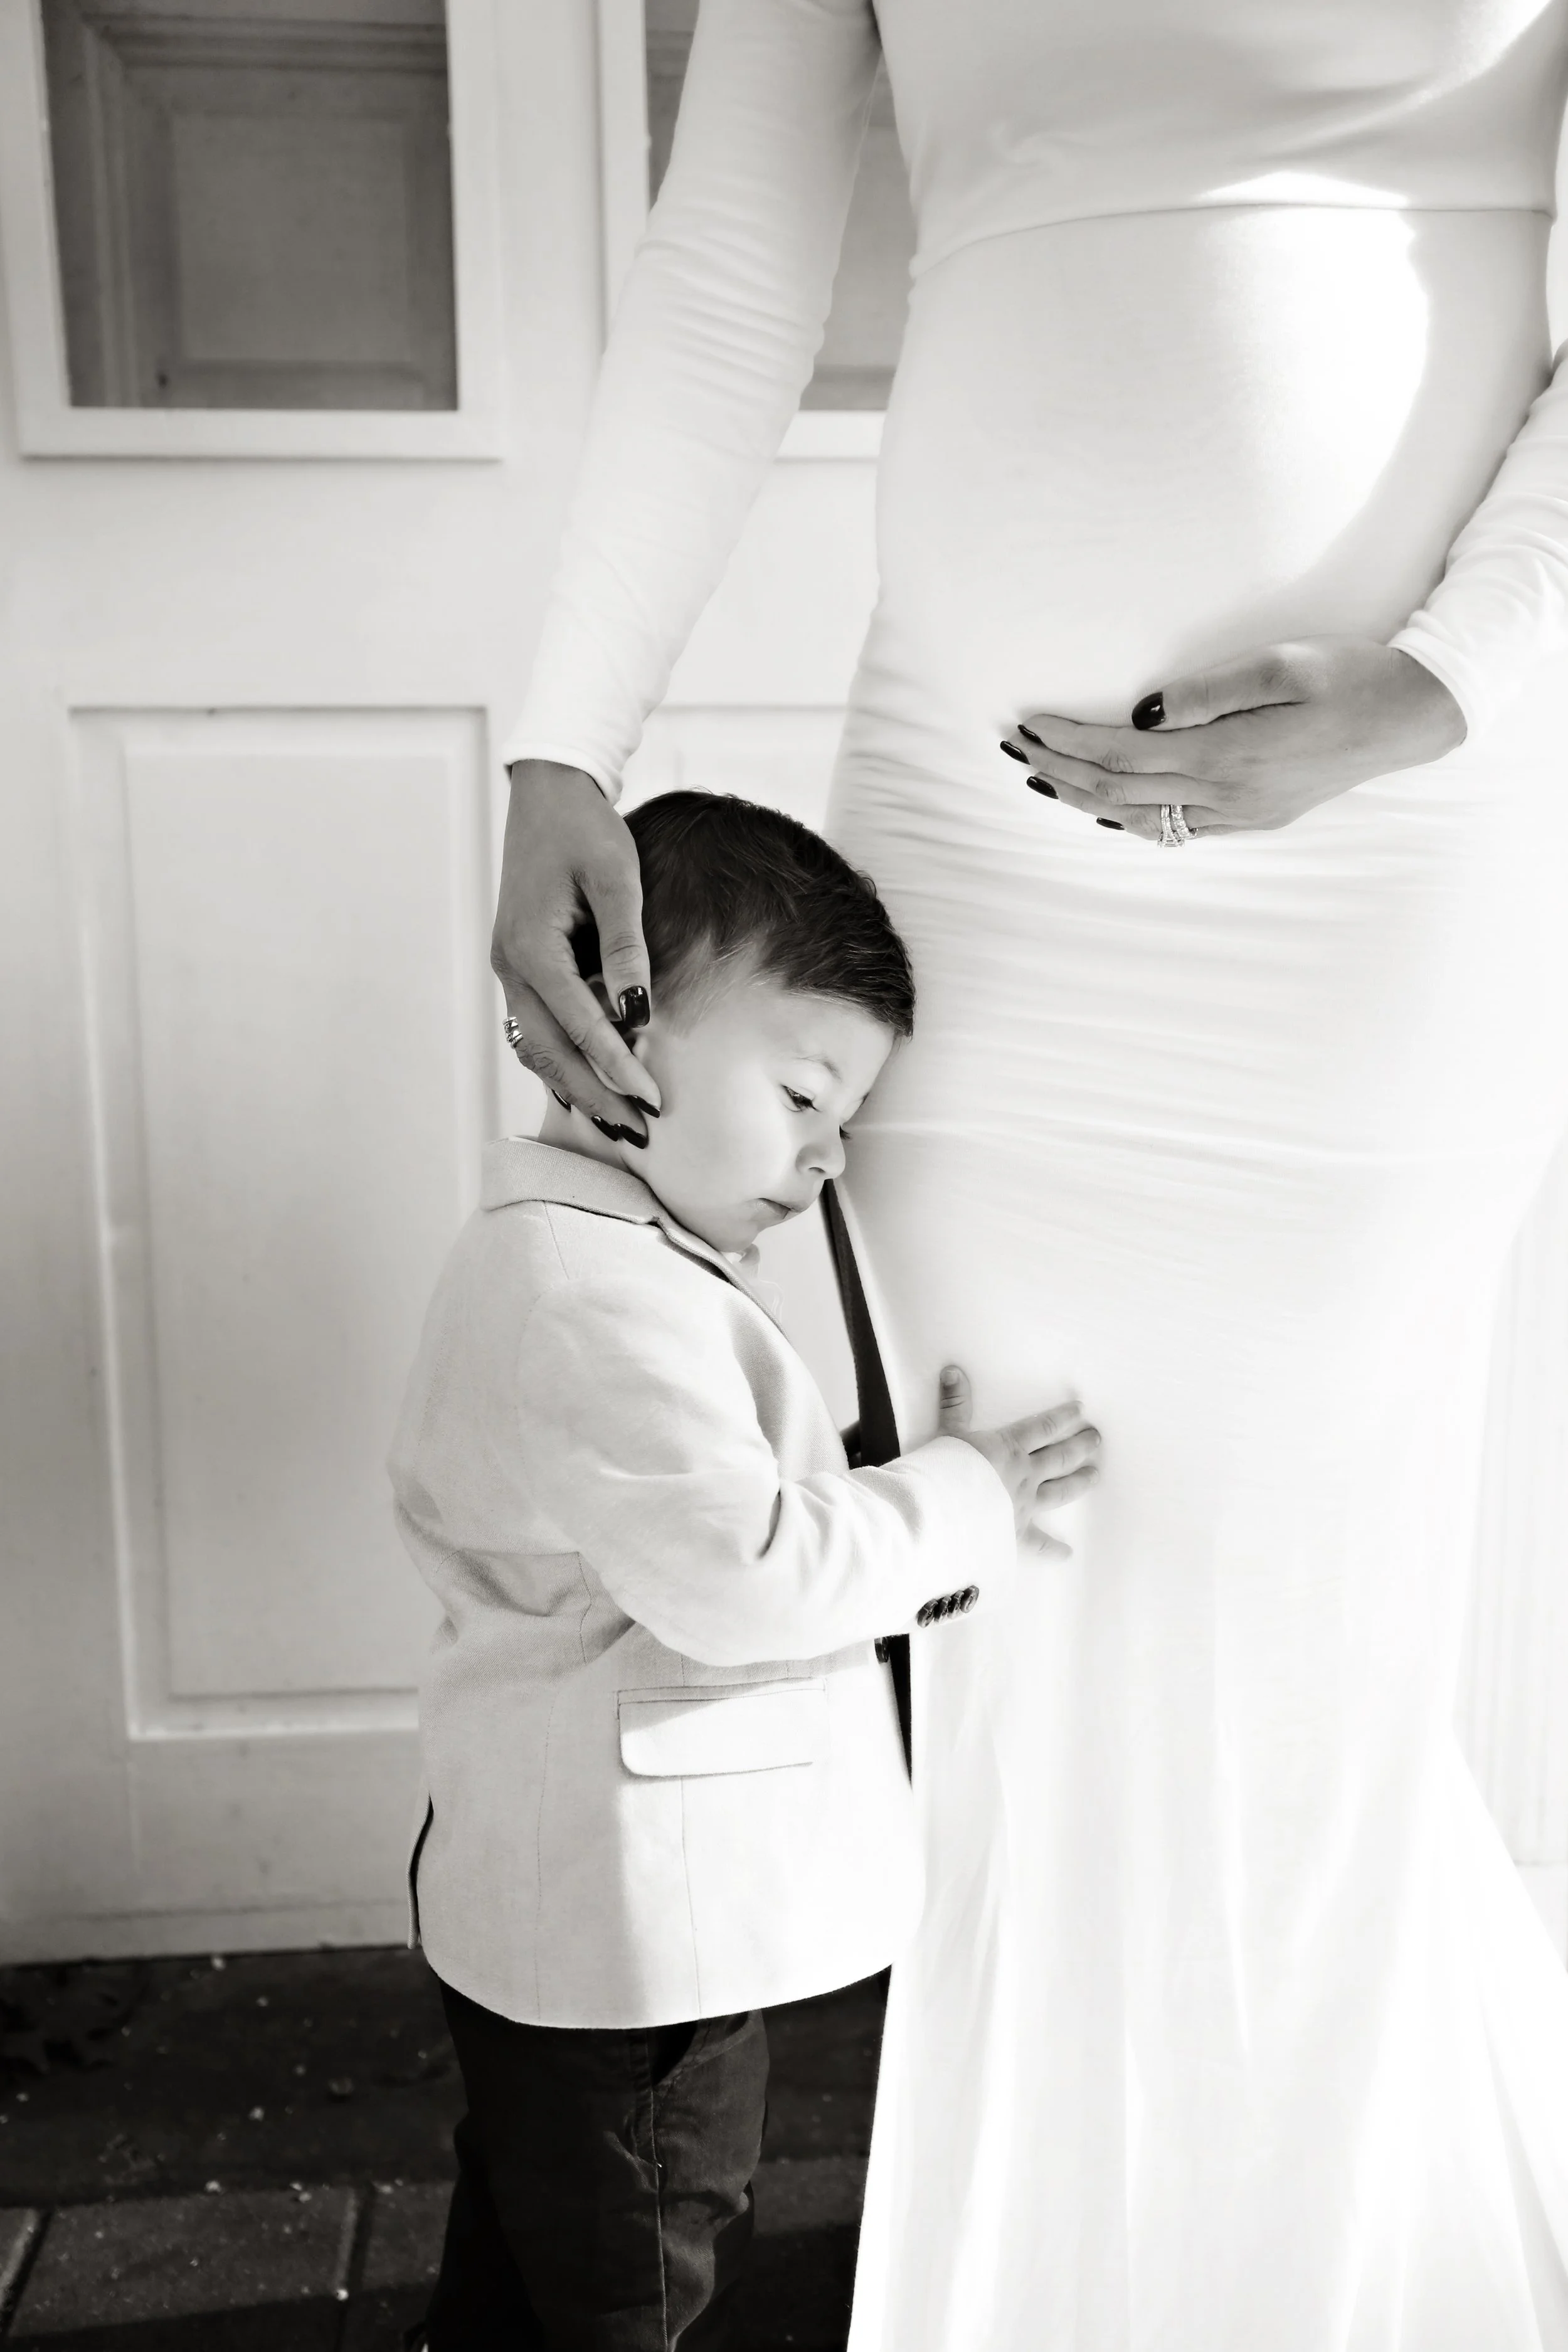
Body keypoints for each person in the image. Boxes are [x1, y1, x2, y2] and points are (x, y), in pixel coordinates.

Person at [490, 6, 1568, 2344]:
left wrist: (1443, 679)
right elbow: (731, 257)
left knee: (1313, 1668)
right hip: (982, 865)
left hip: (1395, 858)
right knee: (1028, 1622)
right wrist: (563, 727)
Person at [389, 790, 1099, 2348]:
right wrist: (958, 1499)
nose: (831, 1156)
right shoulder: (595, 1296)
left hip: (562, 1905)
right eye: (802, 1096)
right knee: (641, 2255)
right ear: (621, 1021)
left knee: (537, 2228)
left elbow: (691, 1504)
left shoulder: (602, 1259)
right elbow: (744, 1575)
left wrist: (884, 1464)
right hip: (632, 1937)